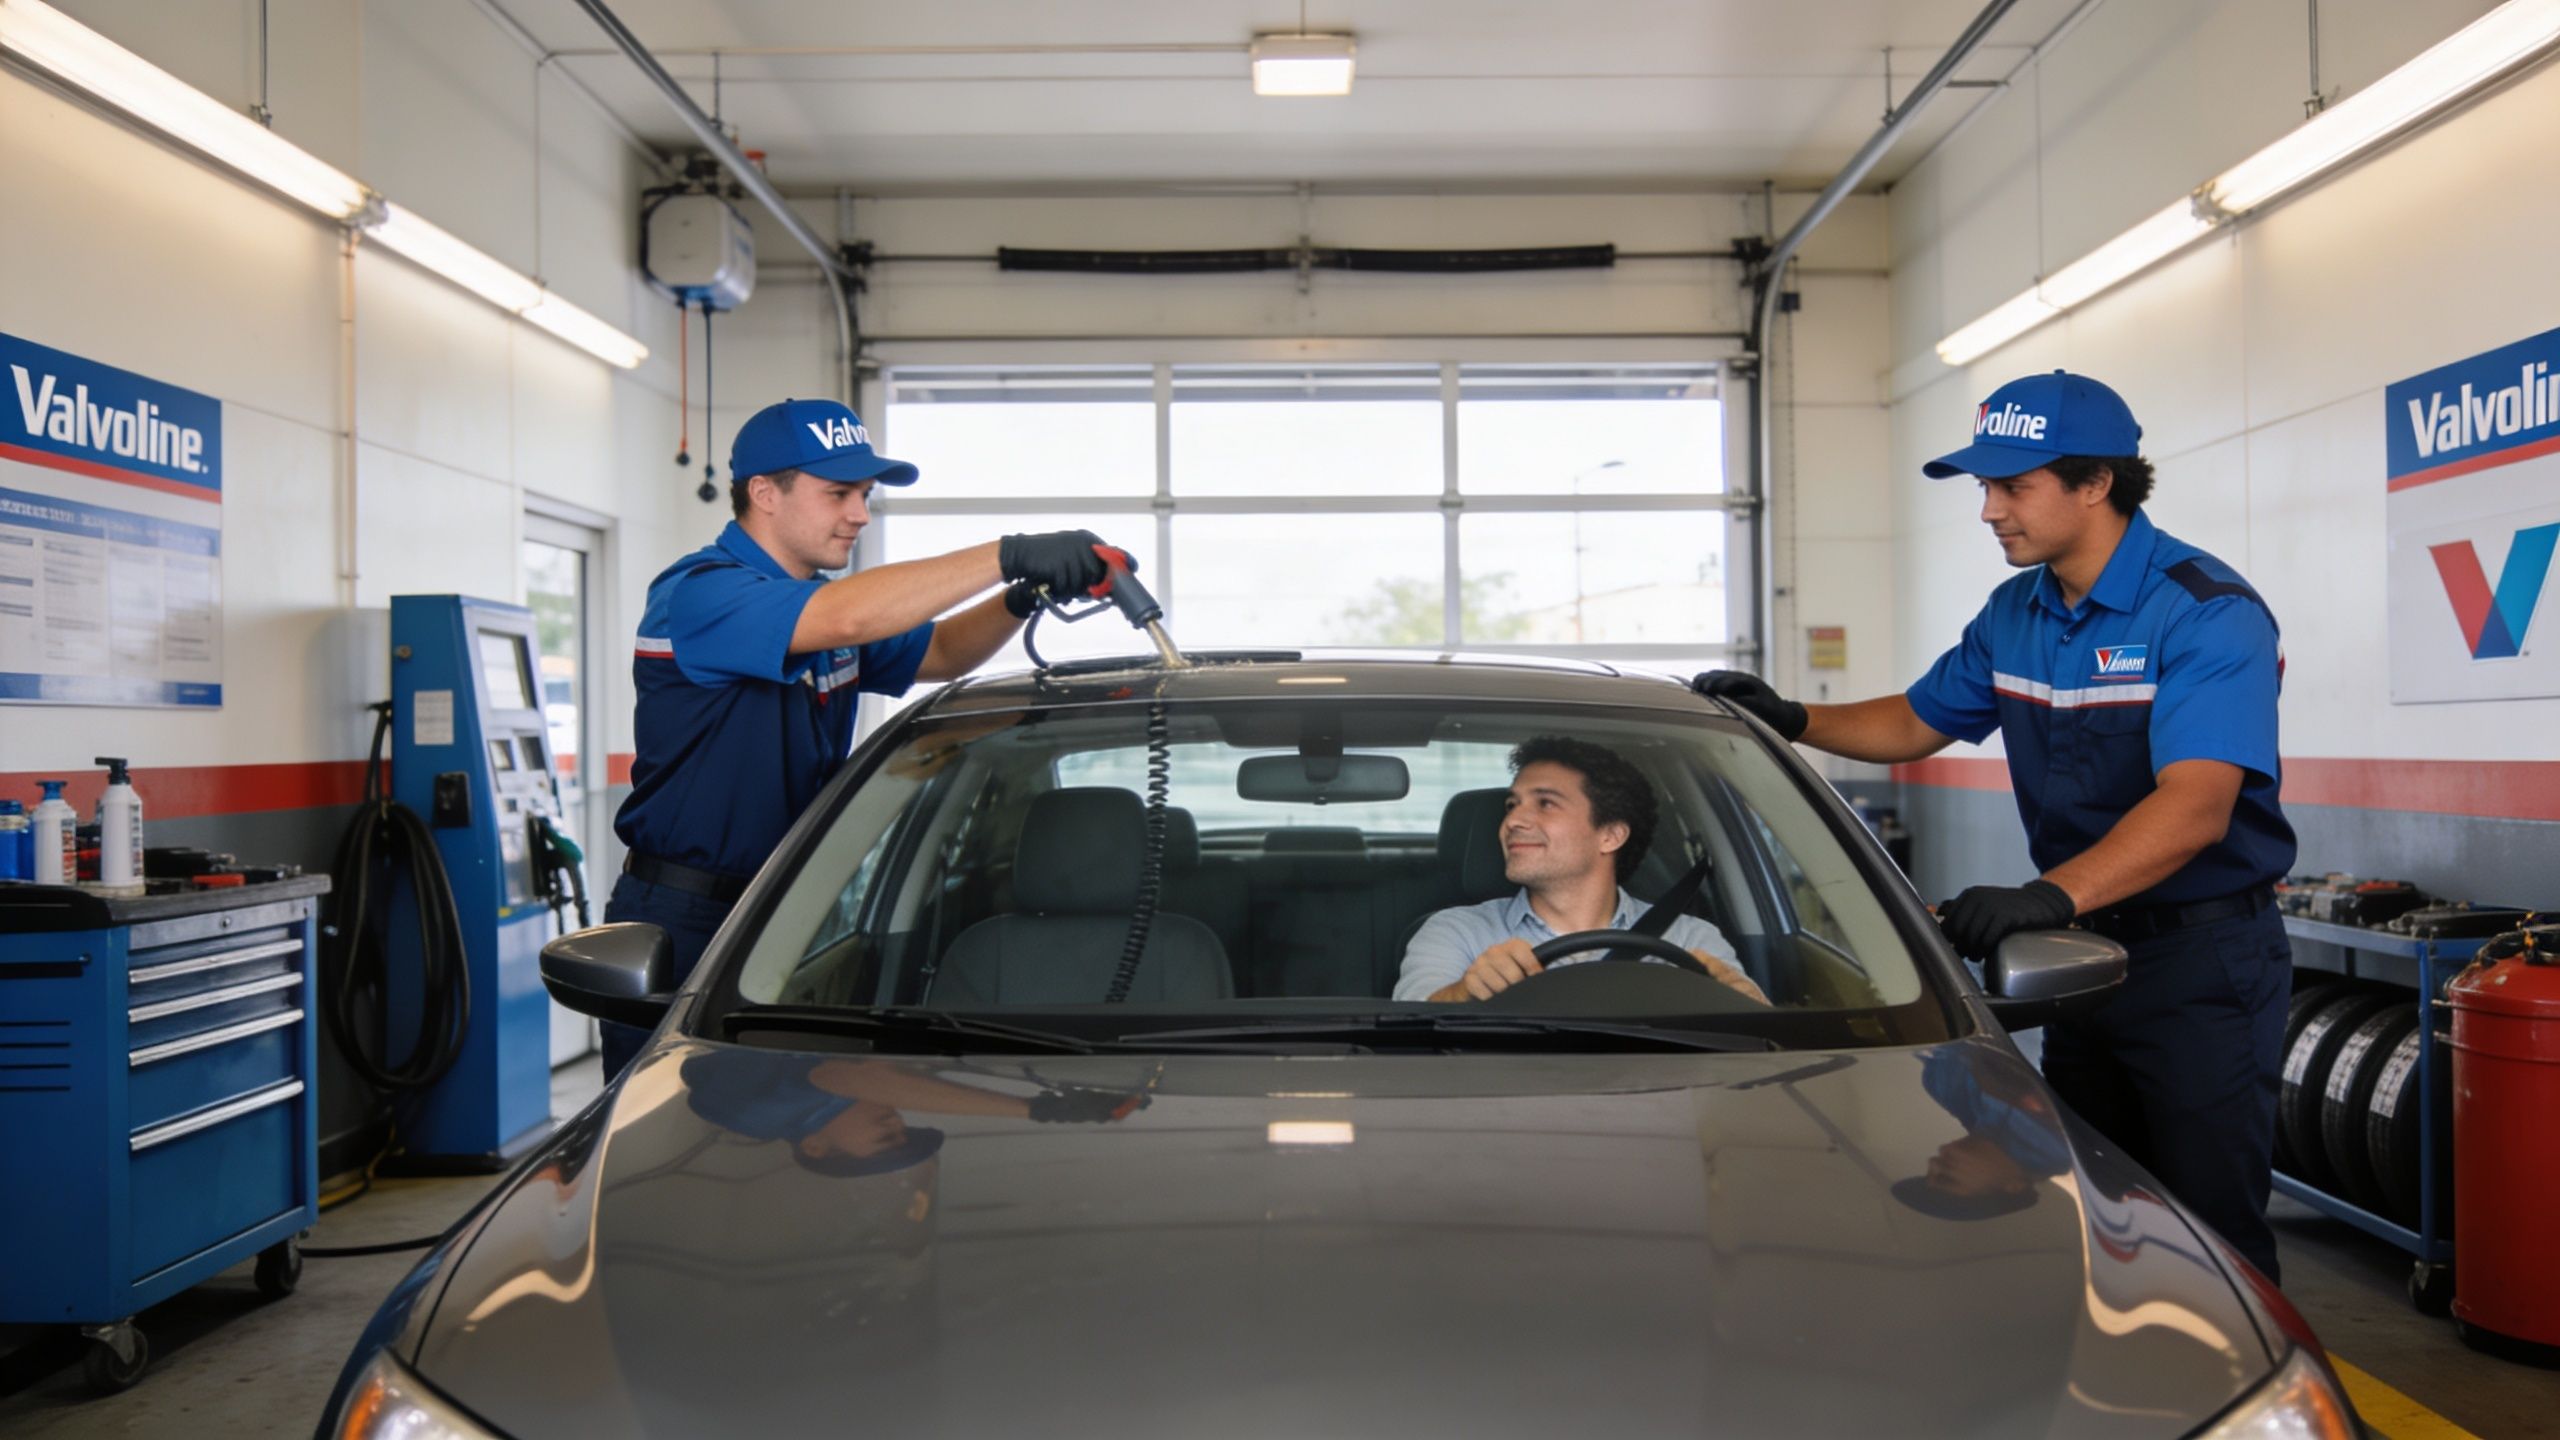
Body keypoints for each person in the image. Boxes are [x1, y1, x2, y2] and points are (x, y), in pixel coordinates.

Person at [1693, 370, 2295, 1279]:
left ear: (2096, 482)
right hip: (2081, 956)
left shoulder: (2207, 613)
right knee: (2090, 1203)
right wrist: (1793, 718)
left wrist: (2046, 897)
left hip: (2200, 965)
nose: (1989, 511)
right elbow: (1915, 721)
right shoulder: (2018, 611)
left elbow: (2196, 807)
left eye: (2013, 486)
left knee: (2206, 1230)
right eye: (1985, 487)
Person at [602, 397, 1138, 1077]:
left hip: (790, 907)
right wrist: (1011, 554)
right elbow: (849, 618)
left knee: (784, 1104)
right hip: (688, 915)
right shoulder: (703, 594)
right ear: (764, 493)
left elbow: (941, 651)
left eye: (864, 495)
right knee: (673, 1116)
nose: (860, 514)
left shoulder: (821, 610)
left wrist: (1021, 596)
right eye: (838, 494)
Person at [1394, 735, 1766, 1005]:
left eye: (1545, 803)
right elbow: (1409, 1030)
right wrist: (1465, 992)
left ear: (1610, 835)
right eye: (1512, 805)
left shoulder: (1688, 939)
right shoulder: (1458, 932)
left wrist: (1746, 1004)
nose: (1513, 821)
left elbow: (1756, 1047)